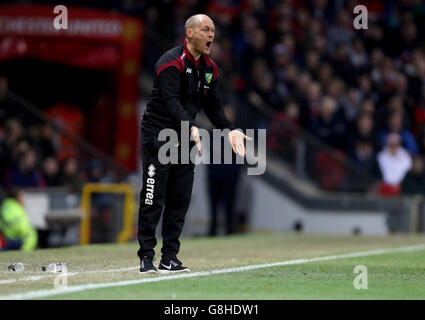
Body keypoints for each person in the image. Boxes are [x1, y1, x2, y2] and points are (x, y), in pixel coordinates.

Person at [137, 14, 251, 274]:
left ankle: (169, 257)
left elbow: (212, 107)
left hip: (186, 137)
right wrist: (190, 127)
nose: (212, 34)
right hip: (159, 136)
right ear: (189, 34)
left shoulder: (211, 69)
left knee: (180, 198)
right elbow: (171, 101)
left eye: (213, 30)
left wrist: (230, 130)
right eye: (205, 29)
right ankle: (146, 256)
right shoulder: (169, 63)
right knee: (153, 197)